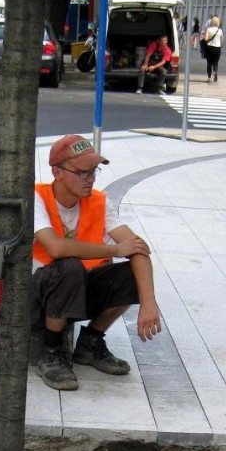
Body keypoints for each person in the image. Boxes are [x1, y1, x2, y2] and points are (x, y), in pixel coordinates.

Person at [32, 135, 161, 392]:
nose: (90, 178)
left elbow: (137, 247)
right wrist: (114, 248)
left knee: (130, 272)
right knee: (69, 266)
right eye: (82, 172)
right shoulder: (37, 196)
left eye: (94, 171)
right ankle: (53, 351)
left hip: (77, 290)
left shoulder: (99, 201)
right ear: (57, 172)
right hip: (40, 294)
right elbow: (55, 248)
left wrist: (149, 302)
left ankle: (90, 342)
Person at [202, 15, 223, 82]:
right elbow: (222, 40)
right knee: (215, 62)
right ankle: (215, 72)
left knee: (209, 63)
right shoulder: (220, 30)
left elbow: (206, 39)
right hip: (217, 48)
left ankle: (209, 77)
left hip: (210, 48)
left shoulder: (209, 29)